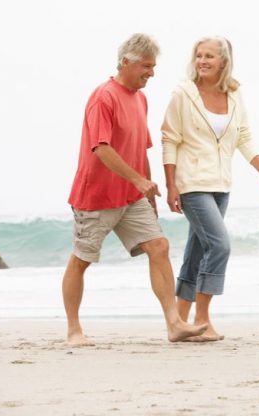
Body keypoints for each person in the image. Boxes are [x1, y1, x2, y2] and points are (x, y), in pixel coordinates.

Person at [62, 33, 208, 346]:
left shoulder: (140, 99)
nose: (151, 73)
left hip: (130, 197)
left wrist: (147, 191)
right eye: (146, 66)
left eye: (153, 67)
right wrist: (138, 180)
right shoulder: (104, 97)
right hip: (96, 198)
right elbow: (100, 147)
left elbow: (140, 149)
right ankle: (74, 331)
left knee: (159, 246)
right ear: (126, 62)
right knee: (81, 260)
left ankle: (174, 323)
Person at [162, 36, 259, 341]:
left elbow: (243, 136)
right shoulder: (183, 94)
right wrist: (171, 184)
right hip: (191, 184)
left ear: (223, 62)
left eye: (209, 56)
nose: (202, 61)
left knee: (197, 250)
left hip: (221, 184)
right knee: (220, 245)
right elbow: (169, 139)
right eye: (199, 55)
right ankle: (203, 318)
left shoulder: (235, 94)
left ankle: (179, 321)